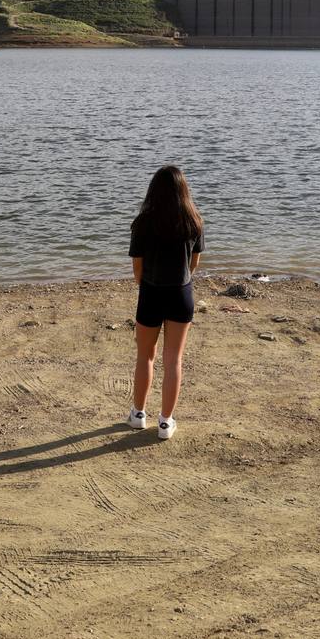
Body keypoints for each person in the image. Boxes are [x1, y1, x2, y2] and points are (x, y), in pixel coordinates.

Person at [126, 165, 205, 440]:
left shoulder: (143, 223)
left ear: (153, 191)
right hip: (181, 294)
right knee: (173, 360)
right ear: (184, 191)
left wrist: (148, 283)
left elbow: (138, 270)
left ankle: (138, 414)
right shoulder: (194, 221)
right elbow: (193, 264)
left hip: (150, 292)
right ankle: (165, 422)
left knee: (145, 355)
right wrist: (180, 280)